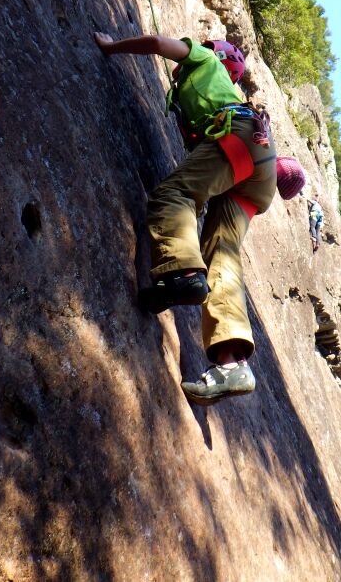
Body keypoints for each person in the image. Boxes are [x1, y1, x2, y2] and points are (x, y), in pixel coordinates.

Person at [94, 30, 281, 405]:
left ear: (216, 55)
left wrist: (111, 47)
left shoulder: (205, 58)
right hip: (261, 172)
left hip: (241, 140)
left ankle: (181, 275)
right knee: (222, 254)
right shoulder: (223, 89)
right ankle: (232, 365)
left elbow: (157, 44)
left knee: (174, 195)